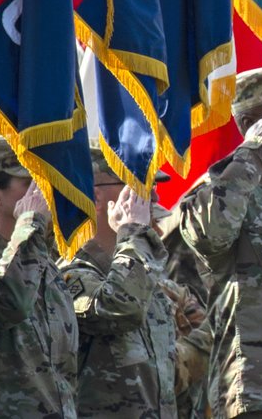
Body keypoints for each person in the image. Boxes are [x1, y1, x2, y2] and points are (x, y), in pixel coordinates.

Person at [176, 64, 262, 418]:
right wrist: (256, 149)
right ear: (254, 120)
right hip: (258, 390)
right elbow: (212, 235)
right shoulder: (222, 189)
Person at [0, 136, 77, 417]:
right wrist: (31, 223)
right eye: (28, 184)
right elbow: (9, 303)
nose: (40, 193)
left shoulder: (43, 262)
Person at [62, 147, 177, 417]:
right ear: (95, 196)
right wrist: (132, 232)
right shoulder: (71, 274)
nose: (155, 196)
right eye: (139, 187)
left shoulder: (140, 269)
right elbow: (121, 307)